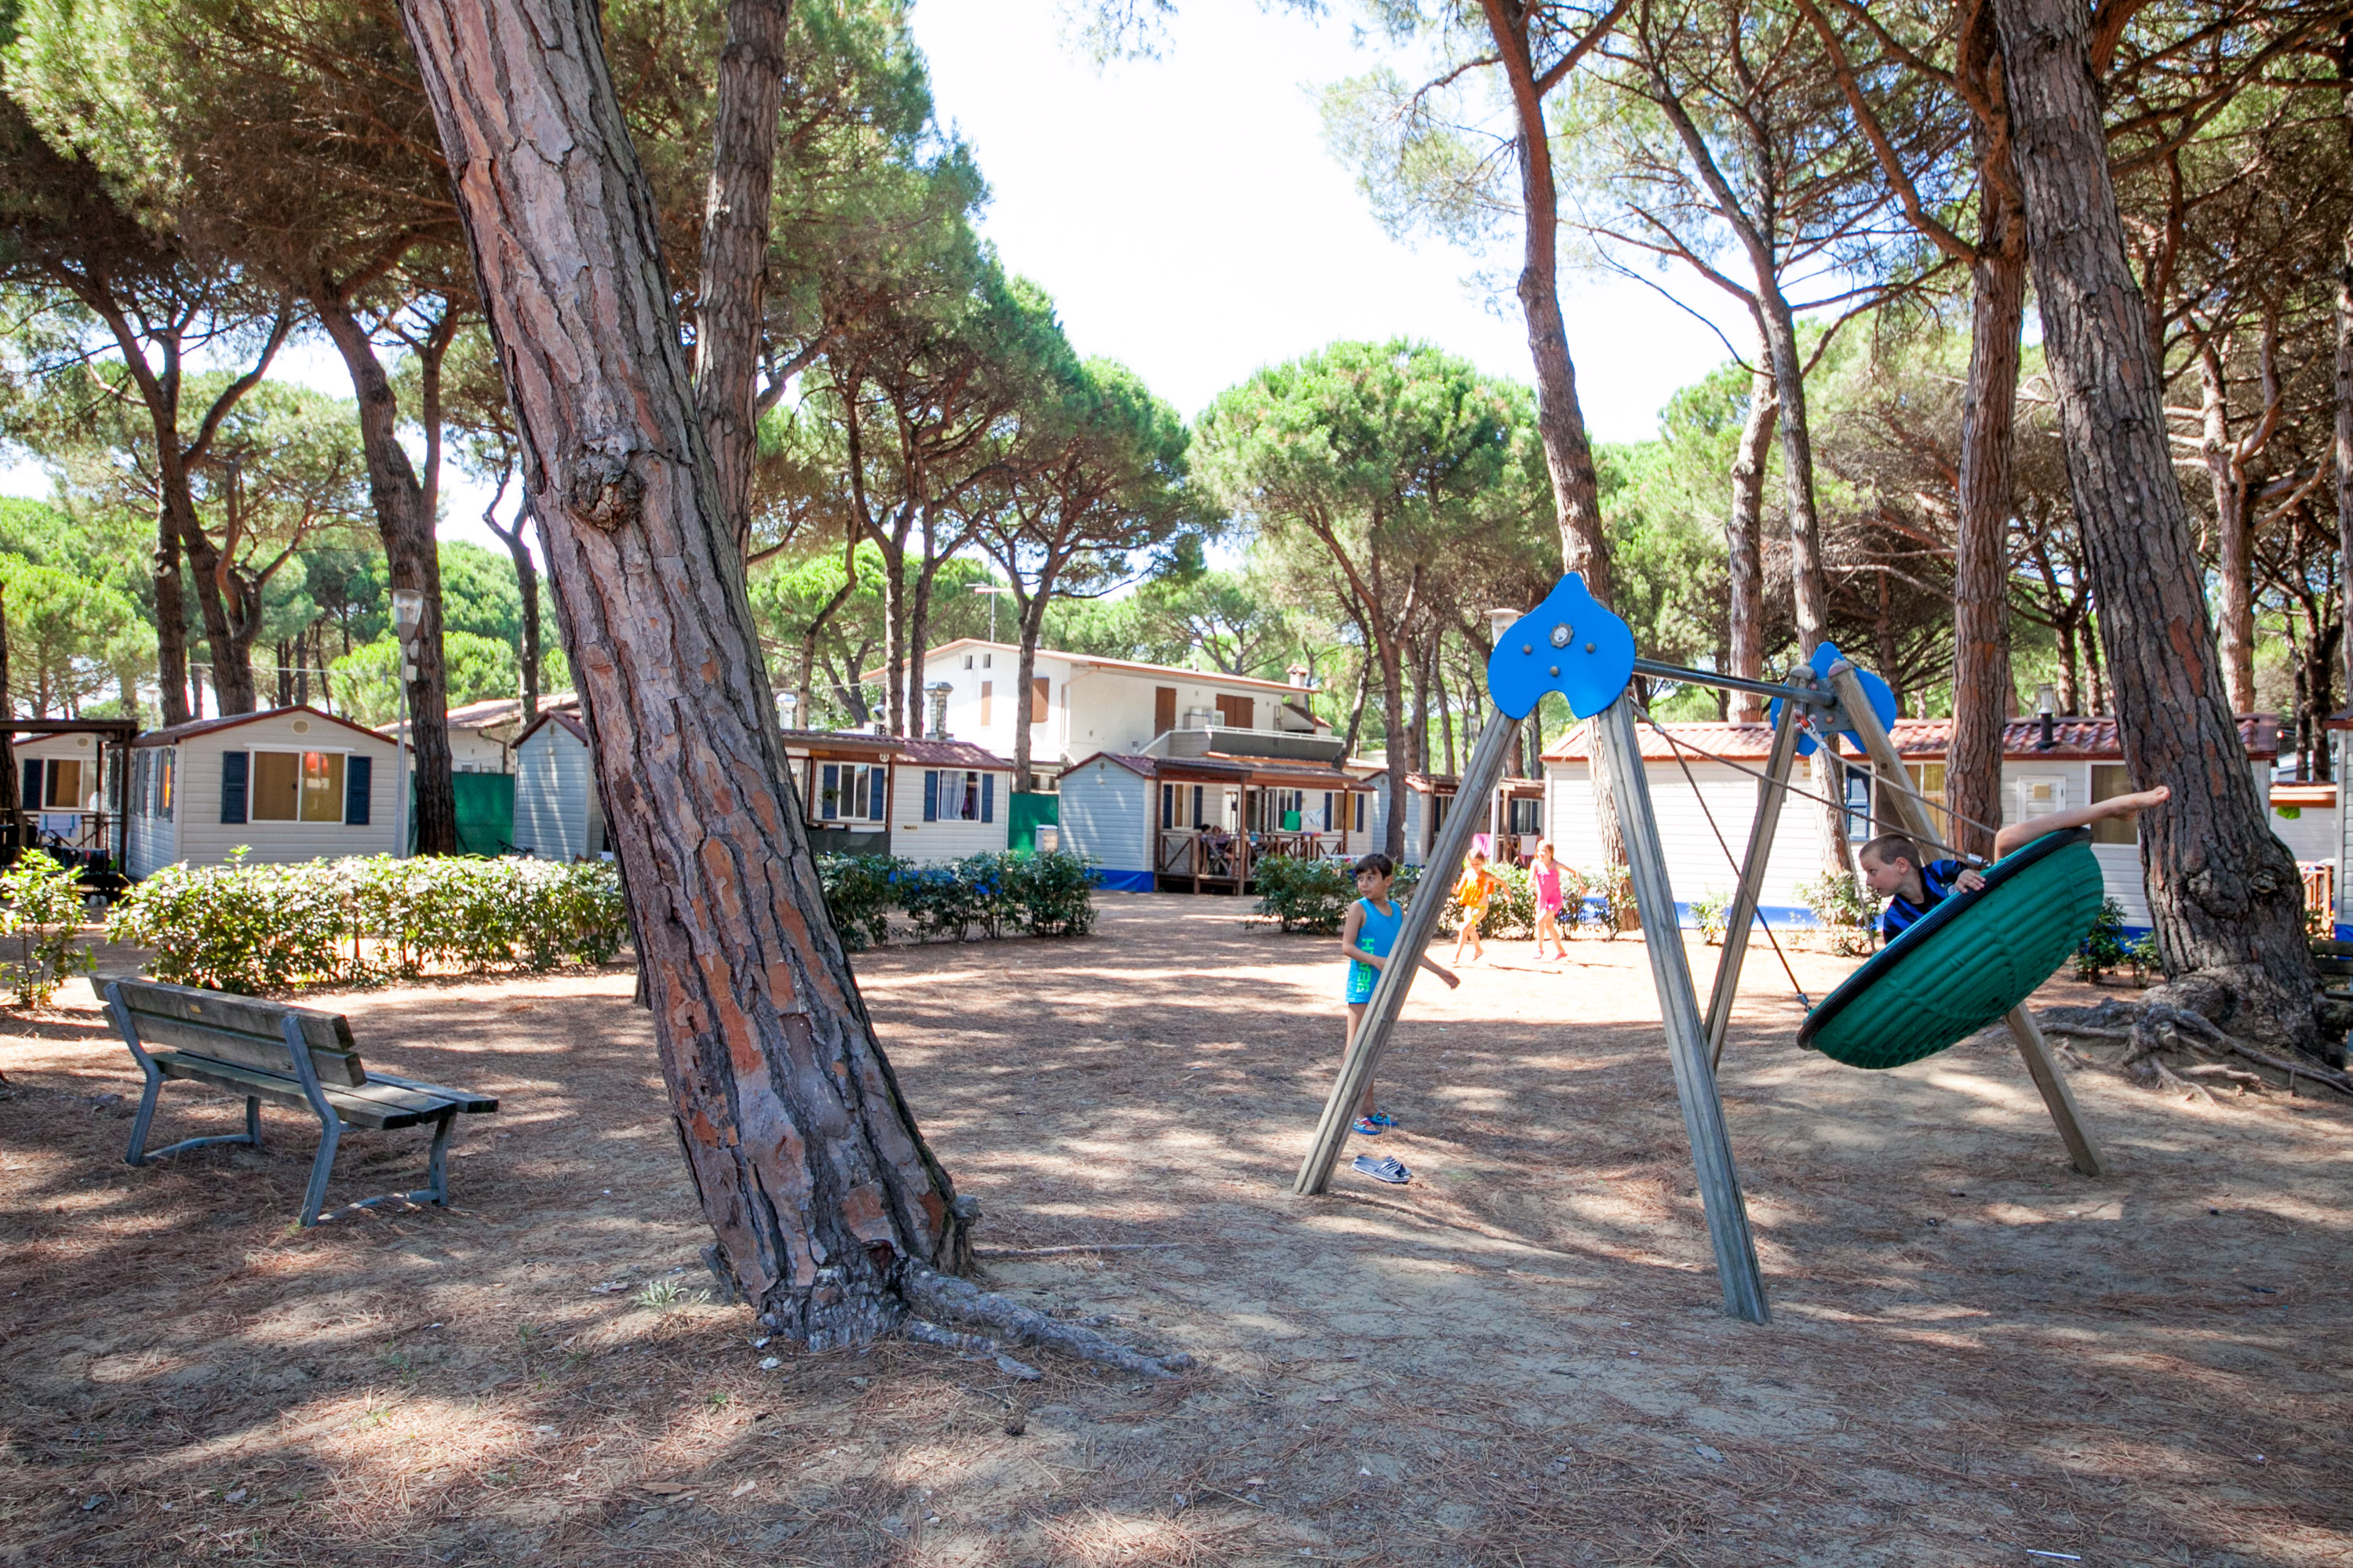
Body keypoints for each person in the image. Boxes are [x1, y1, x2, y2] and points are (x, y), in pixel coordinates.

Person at [1856, 784, 2171, 944]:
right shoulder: (1895, 919)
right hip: (1969, 946)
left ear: (1901, 865)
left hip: (1995, 916)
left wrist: (1966, 875)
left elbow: (1960, 870)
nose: (1868, 881)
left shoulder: (1935, 873)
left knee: (2006, 839)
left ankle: (2112, 808)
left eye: (1872, 872)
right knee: (2005, 841)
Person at [1339, 853, 1459, 1146]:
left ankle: (1368, 1108)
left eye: (1371, 878)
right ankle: (1350, 1111)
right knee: (1356, 1048)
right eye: (1360, 879)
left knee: (1372, 1049)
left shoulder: (1396, 910)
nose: (1364, 884)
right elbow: (1346, 947)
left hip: (1386, 988)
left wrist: (1442, 973)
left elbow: (1409, 950)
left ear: (1387, 880)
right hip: (1364, 987)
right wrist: (1375, 960)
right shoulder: (1359, 909)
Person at [1451, 848, 1504, 965]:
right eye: (1473, 864)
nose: (1475, 866)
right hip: (1470, 907)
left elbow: (1501, 882)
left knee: (1464, 928)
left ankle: (1456, 955)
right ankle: (1478, 950)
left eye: (1478, 864)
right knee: (1469, 930)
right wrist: (1454, 890)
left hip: (1481, 908)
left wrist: (1508, 895)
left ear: (1483, 863)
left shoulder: (1486, 877)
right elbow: (1459, 890)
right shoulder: (1467, 874)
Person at [1530, 839, 1571, 961]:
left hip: (1554, 900)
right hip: (1542, 900)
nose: (1541, 853)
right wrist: (1531, 883)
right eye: (1539, 851)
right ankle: (1561, 951)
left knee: (1539, 920)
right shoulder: (1535, 864)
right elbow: (1531, 879)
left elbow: (1573, 872)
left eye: (1544, 851)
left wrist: (1581, 884)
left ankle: (1539, 949)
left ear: (1550, 853)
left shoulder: (1555, 865)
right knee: (1549, 926)